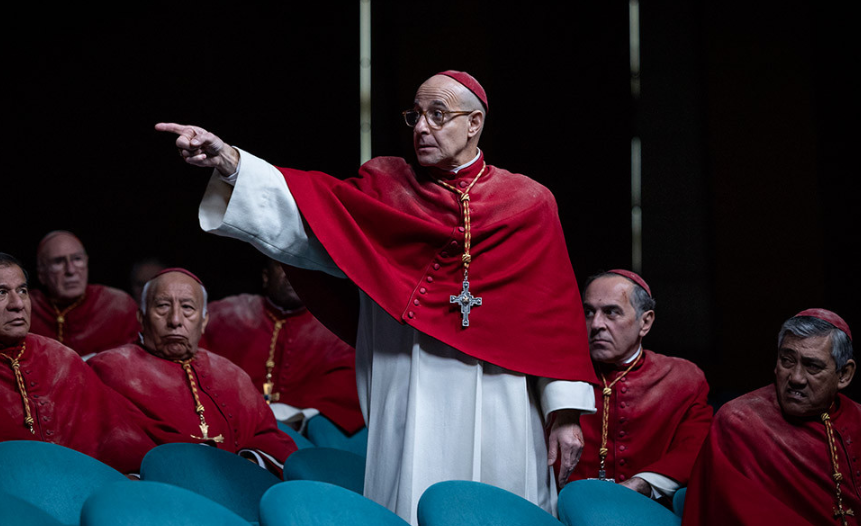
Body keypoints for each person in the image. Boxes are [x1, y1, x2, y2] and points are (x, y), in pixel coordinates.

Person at [156, 70, 598, 523]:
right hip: (410, 383)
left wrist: (565, 413)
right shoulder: (385, 188)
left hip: (503, 396)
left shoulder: (529, 203)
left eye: (437, 114)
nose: (421, 127)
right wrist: (230, 161)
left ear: (474, 123)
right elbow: (308, 215)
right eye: (415, 115)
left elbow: (554, 316)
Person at [88, 267, 297, 476]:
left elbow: (269, 438)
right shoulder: (107, 369)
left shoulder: (232, 374)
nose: (175, 320)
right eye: (162, 306)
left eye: (187, 307)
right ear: (141, 317)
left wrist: (245, 467)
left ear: (204, 321)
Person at [0, 250, 154, 479]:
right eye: (1, 293)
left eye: (22, 291)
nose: (17, 304)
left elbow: (120, 441)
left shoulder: (61, 357)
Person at [682, 308, 860, 526]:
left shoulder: (857, 417)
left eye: (812, 366)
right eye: (787, 361)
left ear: (844, 375)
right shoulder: (739, 422)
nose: (796, 378)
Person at [570, 269, 713, 501]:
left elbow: (695, 447)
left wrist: (642, 484)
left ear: (645, 322)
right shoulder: (562, 376)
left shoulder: (683, 378)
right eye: (588, 312)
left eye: (611, 312)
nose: (596, 324)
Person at [202, 258, 364, 435]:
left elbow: (348, 383)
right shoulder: (225, 314)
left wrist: (294, 413)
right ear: (266, 277)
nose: (293, 275)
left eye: (302, 268)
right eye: (283, 266)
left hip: (303, 431)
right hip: (231, 422)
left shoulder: (336, 327)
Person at [30, 230, 138, 358]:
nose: (70, 270)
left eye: (77, 259)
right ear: (41, 274)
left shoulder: (118, 306)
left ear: (87, 263)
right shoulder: (27, 308)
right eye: (58, 262)